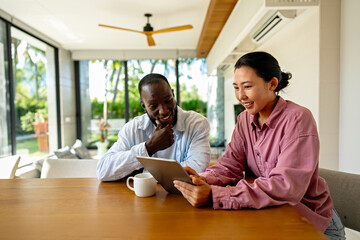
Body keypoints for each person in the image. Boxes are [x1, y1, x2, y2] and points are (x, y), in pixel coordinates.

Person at [174, 52, 345, 239]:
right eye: (236, 88)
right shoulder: (244, 120)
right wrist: (203, 179)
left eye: (247, 87)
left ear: (272, 84)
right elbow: (230, 165)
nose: (241, 96)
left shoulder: (298, 119)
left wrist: (217, 195)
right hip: (273, 213)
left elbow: (285, 186)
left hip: (310, 222)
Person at [97, 73, 211, 181]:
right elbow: (103, 170)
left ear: (173, 94)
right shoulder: (134, 128)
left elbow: (197, 170)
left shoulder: (197, 124)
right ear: (144, 105)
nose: (164, 111)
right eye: (153, 106)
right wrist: (149, 147)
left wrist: (140, 172)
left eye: (168, 100)